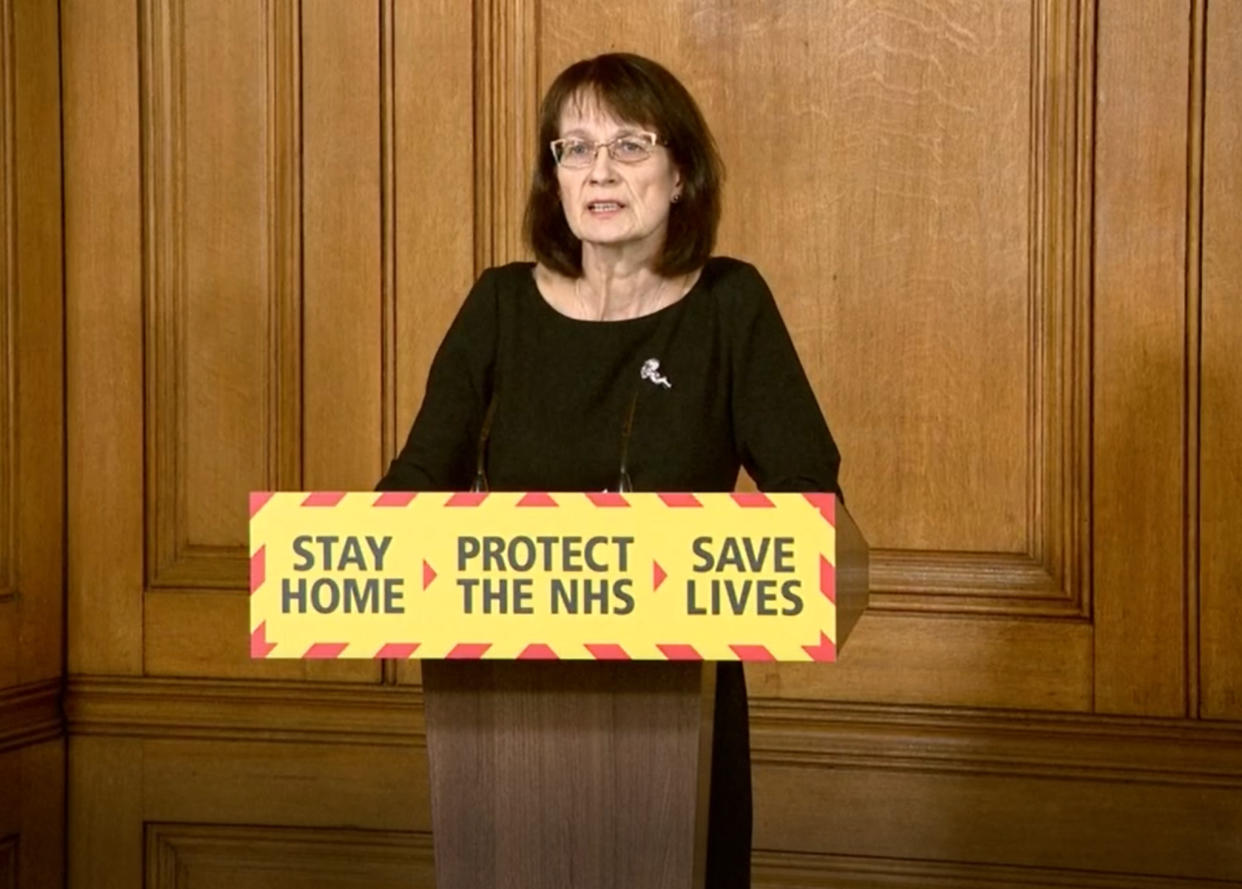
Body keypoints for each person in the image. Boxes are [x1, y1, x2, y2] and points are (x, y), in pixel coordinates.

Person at [378, 52, 842, 889]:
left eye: (629, 146)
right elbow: (415, 482)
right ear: (552, 176)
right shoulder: (499, 306)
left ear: (680, 172)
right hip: (503, 720)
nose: (599, 170)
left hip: (681, 716)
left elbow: (810, 503)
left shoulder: (730, 307)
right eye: (575, 147)